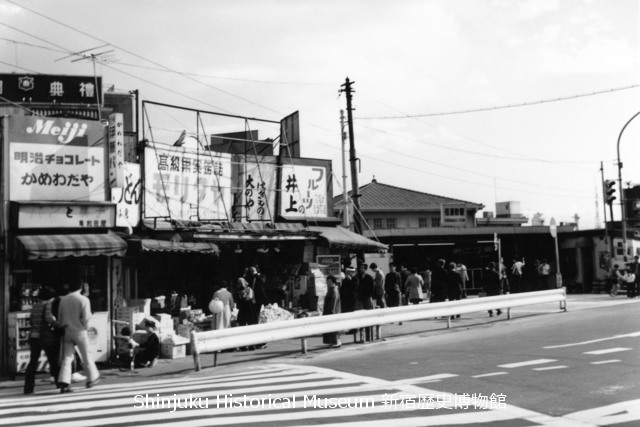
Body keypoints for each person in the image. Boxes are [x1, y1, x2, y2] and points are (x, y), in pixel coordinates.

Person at [57, 279, 101, 393]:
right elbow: (86, 317)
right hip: (79, 331)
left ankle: (64, 382)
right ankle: (92, 378)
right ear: (80, 287)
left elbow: (60, 318)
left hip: (67, 331)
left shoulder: (63, 300)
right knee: (86, 355)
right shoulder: (83, 299)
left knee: (67, 357)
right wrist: (85, 326)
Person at [24, 287, 60, 395]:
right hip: (44, 337)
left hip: (34, 336)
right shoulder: (47, 304)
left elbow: (30, 320)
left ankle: (28, 388)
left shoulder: (35, 306)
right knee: (53, 360)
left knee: (33, 362)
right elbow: (48, 318)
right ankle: (59, 383)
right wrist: (58, 324)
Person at [322, 275, 342, 348]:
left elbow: (334, 303)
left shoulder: (333, 290)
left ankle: (336, 341)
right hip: (331, 311)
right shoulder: (332, 289)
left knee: (333, 328)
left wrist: (332, 312)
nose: (328, 283)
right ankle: (336, 341)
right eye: (327, 281)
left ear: (333, 282)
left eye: (330, 281)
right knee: (333, 328)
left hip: (332, 312)